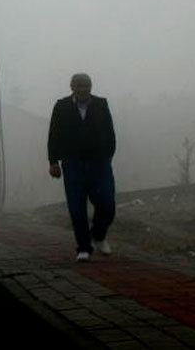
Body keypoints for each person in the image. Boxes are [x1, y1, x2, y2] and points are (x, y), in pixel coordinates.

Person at [48, 72, 117, 262]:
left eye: (86, 86)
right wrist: (53, 161)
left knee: (107, 203)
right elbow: (54, 134)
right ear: (72, 88)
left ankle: (98, 235)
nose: (83, 89)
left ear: (91, 87)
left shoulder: (101, 104)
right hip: (73, 164)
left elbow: (110, 133)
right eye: (79, 86)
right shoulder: (61, 107)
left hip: (99, 163)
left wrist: (107, 156)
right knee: (77, 208)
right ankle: (83, 247)